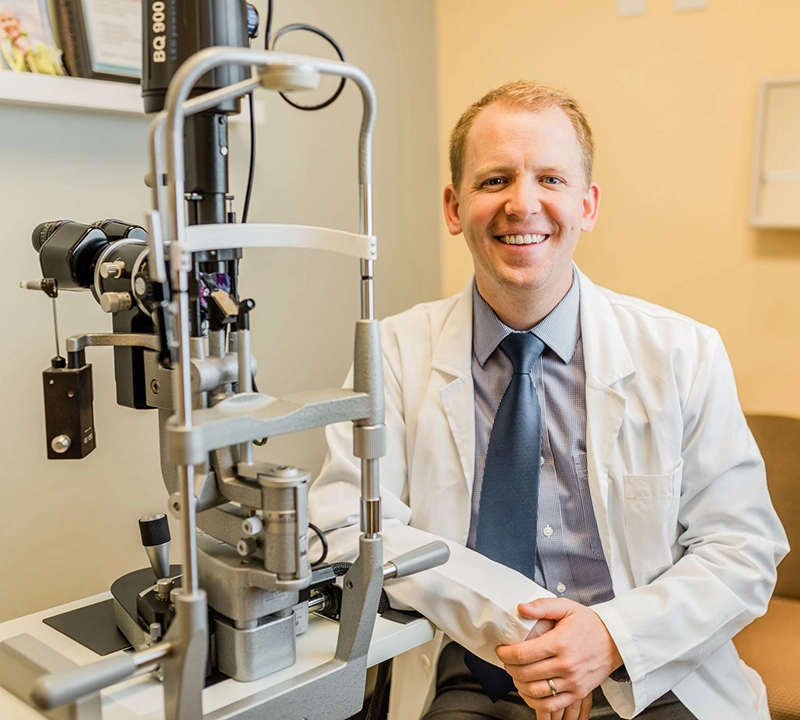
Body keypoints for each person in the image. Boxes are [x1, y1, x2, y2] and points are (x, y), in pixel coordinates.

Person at [309, 80, 788, 720]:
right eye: (494, 180)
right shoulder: (392, 354)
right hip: (471, 676)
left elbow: (744, 549)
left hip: (651, 673)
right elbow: (348, 527)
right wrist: (522, 627)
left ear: (588, 205)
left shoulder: (683, 353)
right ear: (453, 208)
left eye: (551, 180)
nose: (522, 203)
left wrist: (611, 636)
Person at [0, 7, 64, 75]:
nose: (7, 24)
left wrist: (29, 52)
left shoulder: (37, 43)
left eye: (10, 19)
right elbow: (18, 76)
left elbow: (49, 73)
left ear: (18, 21)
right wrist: (22, 55)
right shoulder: (6, 48)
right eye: (3, 21)